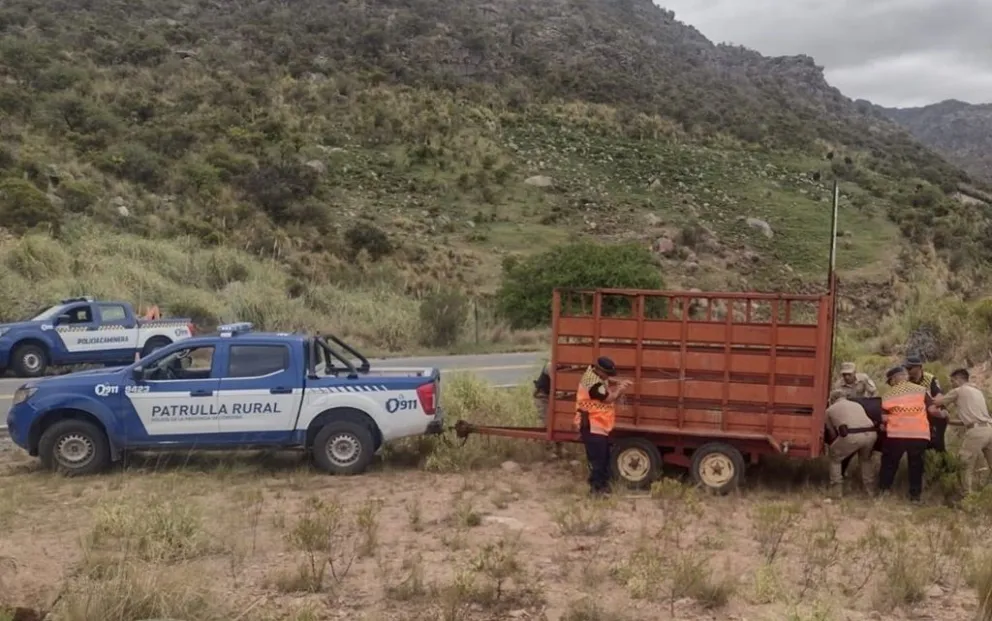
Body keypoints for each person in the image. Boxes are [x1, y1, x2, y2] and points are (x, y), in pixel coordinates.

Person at [878, 366, 938, 502]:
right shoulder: (922, 390)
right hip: (919, 435)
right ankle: (915, 496)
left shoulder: (888, 395)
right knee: (916, 465)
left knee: (889, 464)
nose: (890, 384)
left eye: (890, 381)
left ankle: (884, 492)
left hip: (896, 435)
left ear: (894, 379)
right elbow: (933, 410)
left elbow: (884, 419)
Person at [574, 356, 631, 495]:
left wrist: (618, 382)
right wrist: (620, 390)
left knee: (603, 457)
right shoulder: (593, 384)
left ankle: (602, 486)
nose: (608, 376)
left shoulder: (594, 374)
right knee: (598, 460)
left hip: (598, 425)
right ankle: (596, 489)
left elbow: (606, 381)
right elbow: (608, 398)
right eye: (607, 373)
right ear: (599, 370)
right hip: (592, 425)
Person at [932, 368, 992, 494]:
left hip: (976, 432)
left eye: (952, 381)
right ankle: (987, 495)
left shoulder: (959, 391)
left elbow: (937, 402)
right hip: (988, 429)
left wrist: (929, 397)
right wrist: (950, 421)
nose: (951, 384)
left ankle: (967, 496)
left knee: (964, 462)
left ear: (959, 380)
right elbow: (973, 418)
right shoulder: (978, 392)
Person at [825, 389, 878, 497]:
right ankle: (870, 491)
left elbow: (832, 433)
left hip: (852, 435)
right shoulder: (857, 405)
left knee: (834, 458)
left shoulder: (830, 410)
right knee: (865, 460)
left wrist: (836, 445)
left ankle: (836, 492)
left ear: (832, 399)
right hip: (871, 434)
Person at [904, 355, 948, 453]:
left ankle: (944, 464)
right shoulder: (906, 382)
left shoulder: (930, 378)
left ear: (919, 367)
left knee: (938, 444)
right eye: (906, 368)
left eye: (909, 368)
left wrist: (930, 405)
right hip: (918, 416)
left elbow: (939, 396)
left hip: (934, 413)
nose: (907, 370)